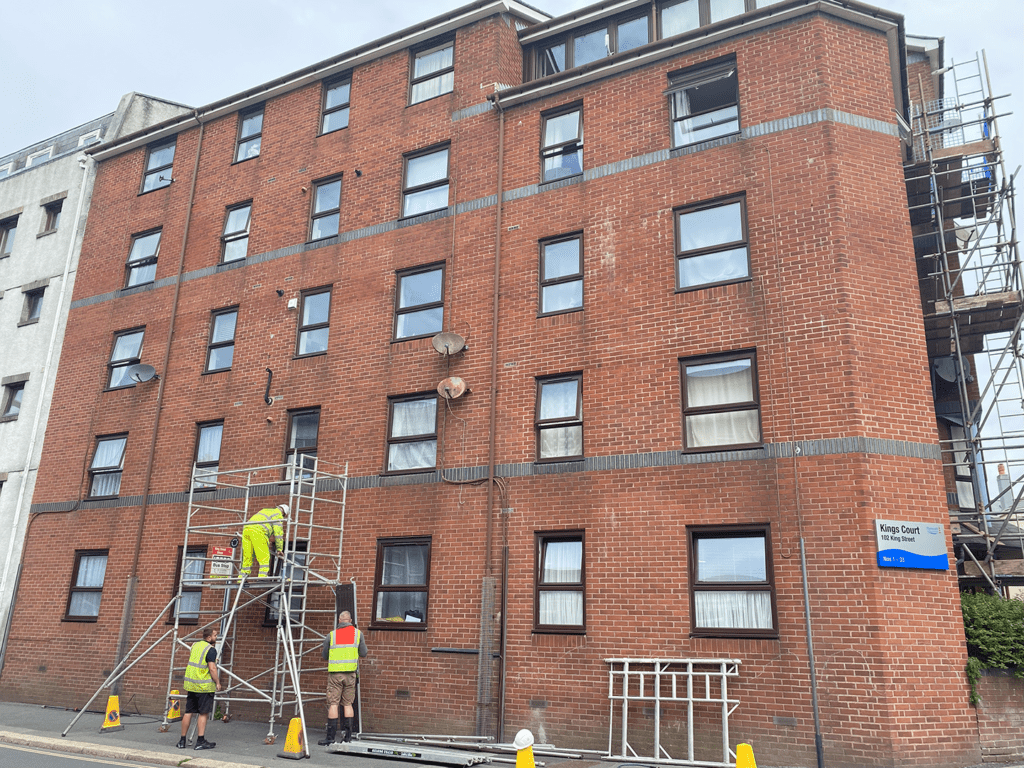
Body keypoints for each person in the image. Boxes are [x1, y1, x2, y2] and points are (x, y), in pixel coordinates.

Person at [319, 610, 367, 745]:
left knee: (333, 703)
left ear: (339, 621)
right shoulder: (358, 634)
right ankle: (348, 737)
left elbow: (324, 656)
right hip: (351, 675)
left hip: (335, 675)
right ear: (350, 620)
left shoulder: (331, 635)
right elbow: (363, 653)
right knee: (348, 703)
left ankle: (330, 738)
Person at [178, 625, 222, 751]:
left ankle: (182, 741)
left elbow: (199, 660)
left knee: (188, 712)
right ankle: (200, 741)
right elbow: (212, 668)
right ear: (209, 637)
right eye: (214, 635)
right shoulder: (211, 649)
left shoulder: (195, 646)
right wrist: (217, 682)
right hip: (204, 686)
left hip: (191, 685)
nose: (216, 637)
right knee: (203, 713)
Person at [239, 504, 289, 581]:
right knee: (264, 556)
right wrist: (279, 549)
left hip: (246, 530)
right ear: (284, 513)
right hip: (259, 532)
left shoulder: (265, 510)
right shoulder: (278, 515)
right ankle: (262, 576)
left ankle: (241, 578)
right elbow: (278, 534)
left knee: (248, 556)